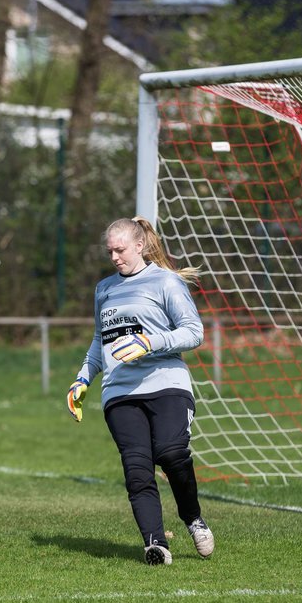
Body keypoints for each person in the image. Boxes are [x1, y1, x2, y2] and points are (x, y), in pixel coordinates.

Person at [66, 215, 214, 566]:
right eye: (110, 251)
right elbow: (99, 341)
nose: (115, 257)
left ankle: (193, 518)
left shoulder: (166, 282)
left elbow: (193, 332)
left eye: (120, 250)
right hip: (120, 393)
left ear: (140, 245)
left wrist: (149, 342)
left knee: (171, 452)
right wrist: (83, 378)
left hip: (166, 384)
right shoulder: (104, 288)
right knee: (137, 468)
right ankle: (156, 545)